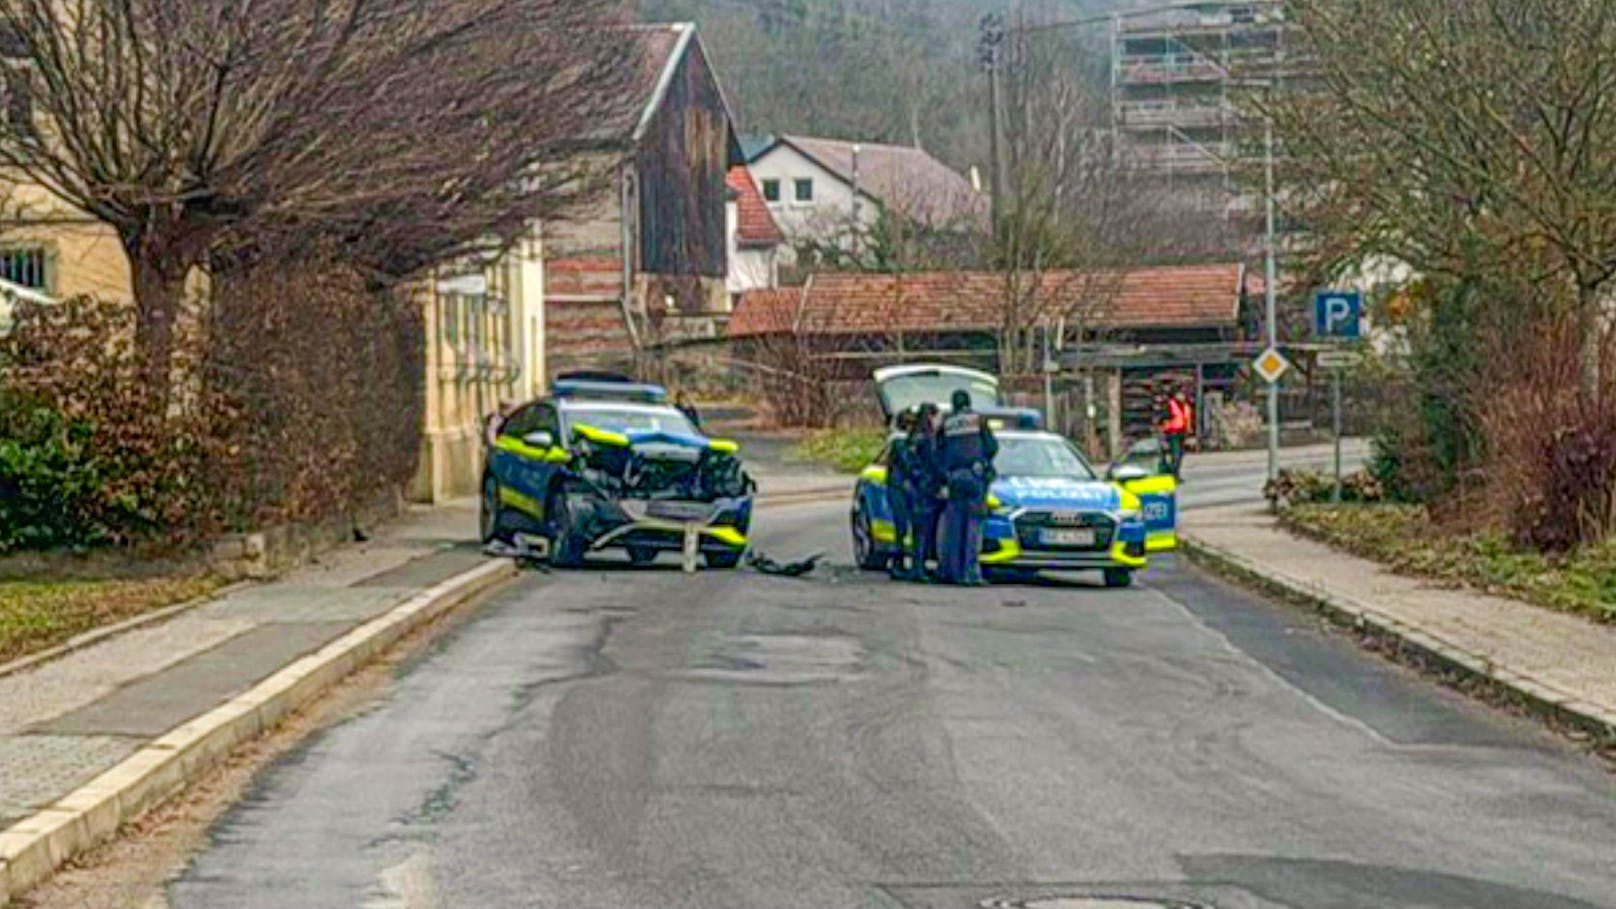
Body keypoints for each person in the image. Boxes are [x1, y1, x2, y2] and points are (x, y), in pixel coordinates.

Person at [936, 389, 998, 586]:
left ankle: (951, 572)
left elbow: (937, 450)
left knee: (953, 526)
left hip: (954, 476)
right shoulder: (978, 420)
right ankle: (970, 573)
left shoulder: (947, 423)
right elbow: (992, 447)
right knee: (973, 525)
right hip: (974, 475)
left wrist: (945, 473)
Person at [907, 402, 945, 581]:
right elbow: (933, 463)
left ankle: (917, 566)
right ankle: (918, 568)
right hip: (925, 488)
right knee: (923, 530)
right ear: (931, 416)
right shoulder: (927, 439)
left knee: (918, 530)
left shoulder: (914, 436)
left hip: (916, 487)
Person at [886, 408, 920, 580]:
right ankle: (897, 564)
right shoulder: (899, 441)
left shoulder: (898, 440)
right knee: (902, 527)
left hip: (898, 487)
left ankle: (899, 563)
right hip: (900, 488)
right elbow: (907, 464)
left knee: (902, 527)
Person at [1160, 385, 1192, 480]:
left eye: (1183, 394)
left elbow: (1187, 419)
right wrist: (1165, 428)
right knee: (1176, 455)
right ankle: (1174, 475)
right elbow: (1164, 418)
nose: (1182, 396)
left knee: (1180, 455)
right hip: (1173, 433)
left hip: (1182, 433)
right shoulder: (1170, 405)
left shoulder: (1186, 406)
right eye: (1180, 394)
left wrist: (1189, 431)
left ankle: (1175, 473)